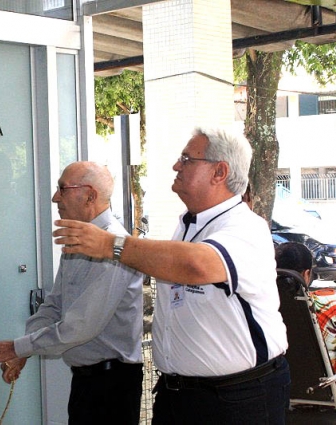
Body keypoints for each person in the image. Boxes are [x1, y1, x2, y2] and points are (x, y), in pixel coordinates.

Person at [52, 127, 290, 424]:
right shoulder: (188, 225)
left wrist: (109, 245)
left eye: (187, 159)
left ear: (220, 171)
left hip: (237, 399)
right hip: (179, 395)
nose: (177, 165)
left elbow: (197, 266)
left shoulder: (244, 226)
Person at [0, 161, 145, 425]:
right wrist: (23, 350)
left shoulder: (115, 246)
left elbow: (80, 326)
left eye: (62, 188)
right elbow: (54, 304)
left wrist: (17, 347)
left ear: (89, 195)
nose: (56, 197)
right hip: (86, 383)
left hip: (112, 387)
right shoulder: (78, 240)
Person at [277, 241, 336, 372]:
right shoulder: (329, 307)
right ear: (306, 274)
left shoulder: (263, 307)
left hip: (282, 381)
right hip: (326, 384)